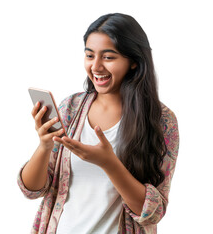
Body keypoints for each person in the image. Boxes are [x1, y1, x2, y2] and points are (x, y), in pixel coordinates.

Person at [18, 13, 179, 234]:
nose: (96, 66)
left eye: (109, 57)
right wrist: (44, 146)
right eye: (89, 55)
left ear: (133, 61)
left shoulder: (161, 120)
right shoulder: (70, 108)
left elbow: (152, 212)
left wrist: (109, 163)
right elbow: (32, 190)